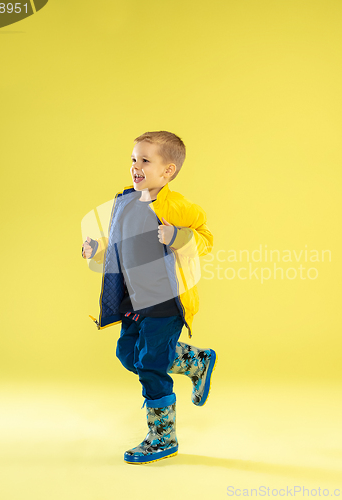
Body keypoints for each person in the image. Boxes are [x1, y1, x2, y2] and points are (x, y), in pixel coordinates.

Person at [81, 131, 217, 465]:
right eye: (133, 159)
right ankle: (195, 361)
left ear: (168, 171)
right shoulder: (125, 202)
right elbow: (119, 247)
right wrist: (96, 250)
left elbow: (206, 239)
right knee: (128, 354)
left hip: (165, 303)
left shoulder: (178, 206)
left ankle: (162, 437)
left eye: (145, 160)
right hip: (133, 301)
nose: (135, 167)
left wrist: (178, 236)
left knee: (151, 365)